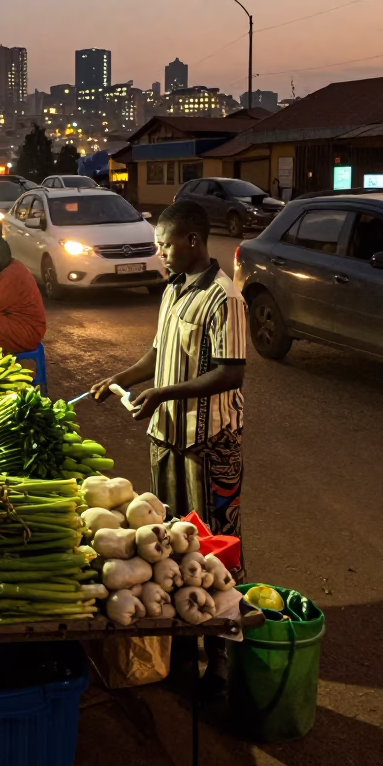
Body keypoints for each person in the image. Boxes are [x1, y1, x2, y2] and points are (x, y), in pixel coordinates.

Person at [90, 199, 247, 576]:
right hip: (166, 435)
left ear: (193, 240)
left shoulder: (224, 297)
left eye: (166, 245)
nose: (160, 253)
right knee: (169, 534)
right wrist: (119, 379)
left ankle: (226, 623)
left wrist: (163, 393)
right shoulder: (173, 289)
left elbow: (231, 373)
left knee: (212, 538)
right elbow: (157, 354)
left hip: (207, 441)